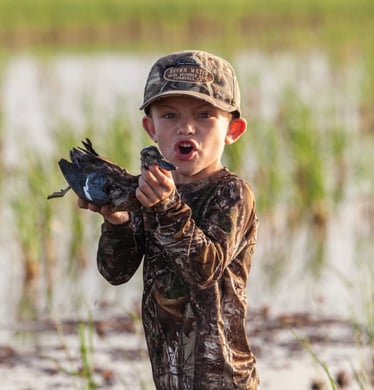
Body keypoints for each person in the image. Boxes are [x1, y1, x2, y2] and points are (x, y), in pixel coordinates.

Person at [78, 50, 260, 389]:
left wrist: (166, 207)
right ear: (151, 128)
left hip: (224, 379)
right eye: (170, 115)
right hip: (169, 376)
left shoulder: (232, 193)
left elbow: (204, 271)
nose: (186, 127)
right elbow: (116, 272)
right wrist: (116, 222)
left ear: (233, 129)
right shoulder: (150, 189)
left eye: (205, 115)